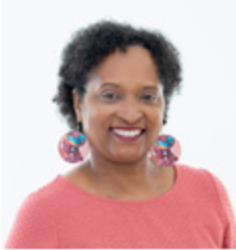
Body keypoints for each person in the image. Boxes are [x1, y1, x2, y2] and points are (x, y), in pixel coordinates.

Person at [5, 20, 236, 248]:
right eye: (110, 95)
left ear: (163, 103)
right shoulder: (45, 212)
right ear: (78, 104)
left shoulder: (207, 191)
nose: (130, 114)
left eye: (147, 96)